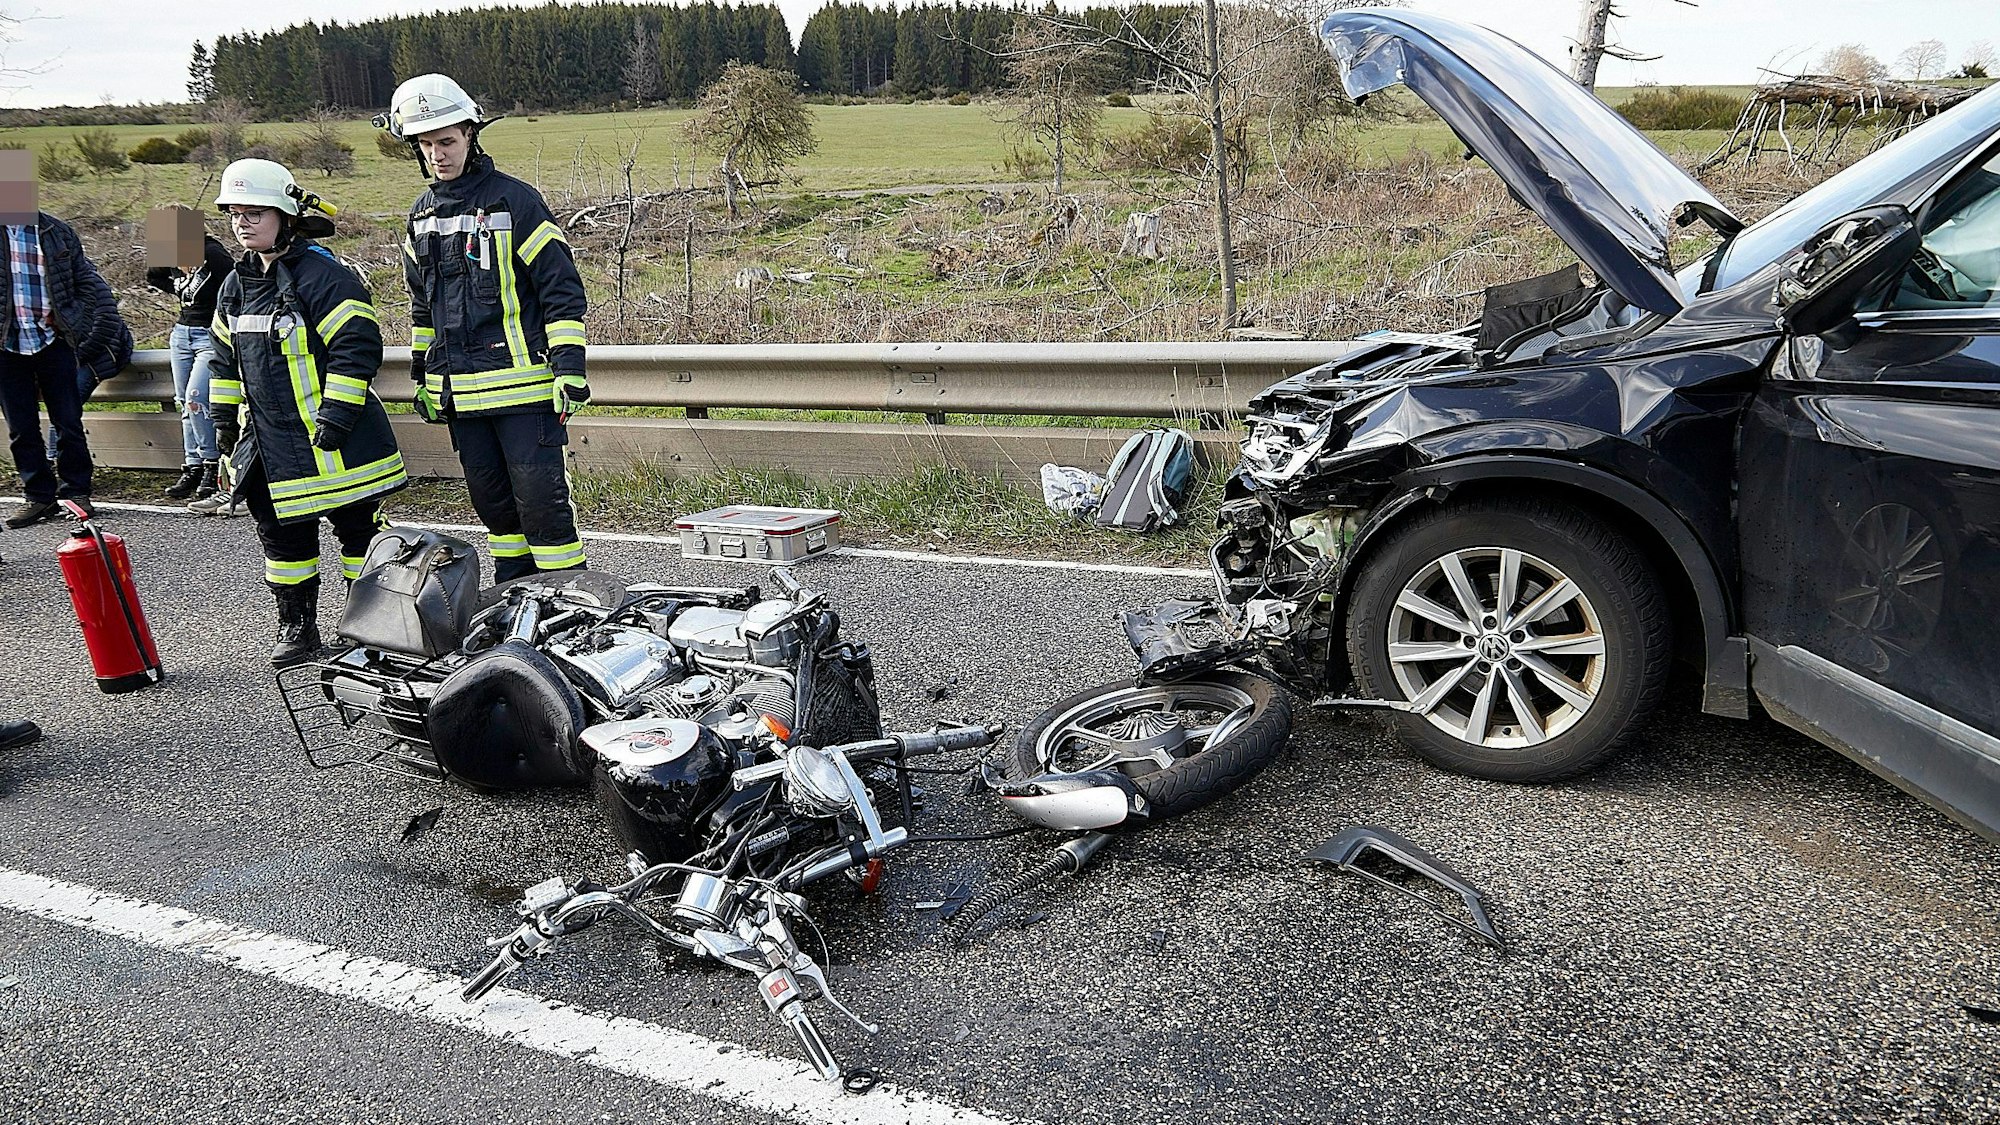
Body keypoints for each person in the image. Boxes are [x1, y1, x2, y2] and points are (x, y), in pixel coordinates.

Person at [380, 73, 590, 586]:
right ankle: (514, 599)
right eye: (426, 145)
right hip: (462, 398)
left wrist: (569, 368)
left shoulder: (515, 202)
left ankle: (573, 602)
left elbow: (560, 290)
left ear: (470, 134)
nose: (438, 155)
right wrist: (423, 378)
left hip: (525, 393)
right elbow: (423, 310)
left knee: (542, 508)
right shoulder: (420, 217)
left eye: (447, 141)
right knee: (495, 512)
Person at [208, 158, 408, 666]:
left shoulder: (325, 277)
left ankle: (367, 626)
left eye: (254, 212)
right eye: (234, 213)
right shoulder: (235, 285)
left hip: (336, 440)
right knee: (282, 542)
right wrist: (223, 421)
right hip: (270, 445)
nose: (242, 223)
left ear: (286, 215)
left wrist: (337, 414)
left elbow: (356, 347)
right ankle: (297, 627)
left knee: (359, 535)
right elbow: (223, 359)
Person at [0, 157, 130, 529]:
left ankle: (77, 491)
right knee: (21, 427)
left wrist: (71, 320)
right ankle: (38, 496)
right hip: (7, 346)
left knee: (69, 421)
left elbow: (86, 282)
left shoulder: (56, 232)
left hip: (53, 341)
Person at [146, 224, 235, 505]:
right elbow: (153, 276)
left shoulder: (212, 253)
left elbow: (235, 285)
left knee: (197, 398)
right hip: (182, 334)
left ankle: (211, 464)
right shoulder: (174, 256)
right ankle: (192, 466)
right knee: (185, 402)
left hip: (209, 334)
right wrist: (177, 286)